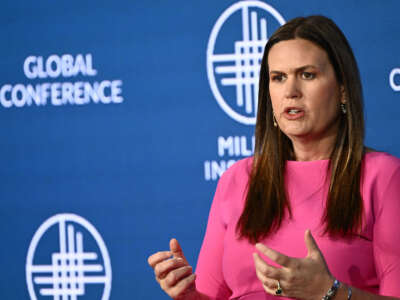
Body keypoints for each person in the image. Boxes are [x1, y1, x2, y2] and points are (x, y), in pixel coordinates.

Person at [148, 15, 400, 300]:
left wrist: (328, 292)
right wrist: (188, 294)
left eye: (307, 75)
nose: (291, 92)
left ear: (343, 89)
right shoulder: (238, 179)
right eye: (278, 78)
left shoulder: (384, 177)